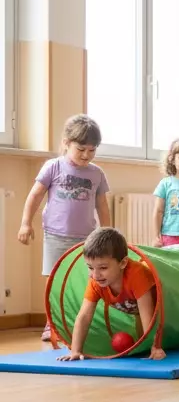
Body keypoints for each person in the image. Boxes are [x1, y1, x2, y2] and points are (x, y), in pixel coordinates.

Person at [18, 114, 111, 342]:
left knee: (84, 280)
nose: (86, 155)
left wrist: (107, 233)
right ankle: (52, 324)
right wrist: (25, 223)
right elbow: (35, 195)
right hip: (56, 235)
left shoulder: (96, 173)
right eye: (81, 149)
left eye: (92, 150)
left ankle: (78, 323)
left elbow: (102, 205)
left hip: (86, 238)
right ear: (66, 143)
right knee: (54, 280)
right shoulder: (54, 167)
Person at [57, 227, 165, 362]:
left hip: (164, 305)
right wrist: (76, 350)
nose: (95, 275)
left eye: (103, 268)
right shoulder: (95, 282)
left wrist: (155, 347)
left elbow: (148, 316)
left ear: (123, 263)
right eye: (90, 267)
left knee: (154, 332)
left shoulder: (137, 275)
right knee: (141, 340)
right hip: (137, 310)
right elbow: (84, 316)